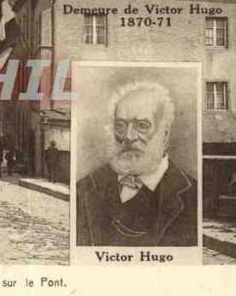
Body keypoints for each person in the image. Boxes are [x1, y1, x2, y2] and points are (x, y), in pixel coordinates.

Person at [76, 81, 197, 247]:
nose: (128, 137)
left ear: (165, 134)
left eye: (142, 126)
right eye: (120, 126)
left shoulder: (193, 194)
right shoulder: (85, 187)